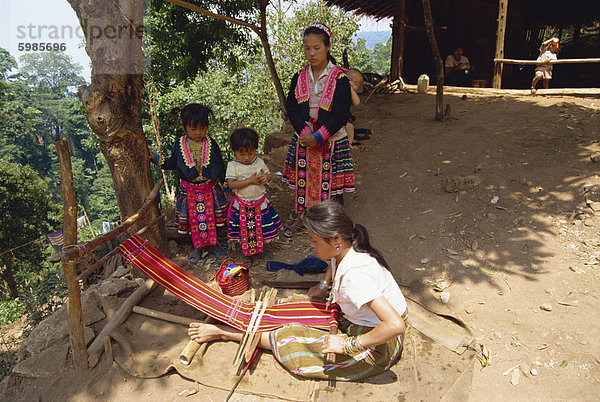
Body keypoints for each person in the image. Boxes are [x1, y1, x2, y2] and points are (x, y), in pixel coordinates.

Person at [188, 199, 407, 380]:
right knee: (292, 304)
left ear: (336, 239)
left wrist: (348, 344)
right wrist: (323, 285)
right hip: (357, 317)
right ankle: (238, 318)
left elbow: (396, 325)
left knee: (290, 339)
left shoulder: (356, 276)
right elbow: (334, 263)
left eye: (314, 241)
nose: (311, 246)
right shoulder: (344, 249)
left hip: (379, 340)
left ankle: (225, 333)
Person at [282, 23, 355, 237]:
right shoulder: (299, 77)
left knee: (332, 184)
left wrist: (320, 135)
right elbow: (292, 107)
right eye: (307, 48)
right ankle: (302, 218)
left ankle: (330, 224)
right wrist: (304, 132)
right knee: (304, 178)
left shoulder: (340, 79)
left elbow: (341, 113)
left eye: (317, 48)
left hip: (331, 139)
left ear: (328, 46)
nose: (311, 53)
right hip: (304, 137)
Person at [149, 103, 228, 263]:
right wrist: (156, 159)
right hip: (189, 191)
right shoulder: (179, 145)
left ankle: (214, 245)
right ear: (183, 126)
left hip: (209, 189)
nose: (199, 133)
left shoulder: (211, 144)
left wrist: (224, 182)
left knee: (210, 217)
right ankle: (197, 246)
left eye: (203, 128)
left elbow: (220, 164)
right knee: (194, 220)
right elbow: (172, 163)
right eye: (193, 129)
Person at [225, 128, 282, 258]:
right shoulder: (232, 165)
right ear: (234, 151)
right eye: (241, 154)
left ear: (255, 149)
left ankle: (261, 250)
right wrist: (250, 181)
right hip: (243, 204)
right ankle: (248, 255)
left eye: (250, 153)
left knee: (260, 227)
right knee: (245, 229)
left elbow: (268, 175)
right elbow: (231, 184)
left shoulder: (259, 162)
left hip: (259, 201)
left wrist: (266, 178)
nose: (246, 157)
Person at [345, 68, 364, 148]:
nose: (352, 84)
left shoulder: (352, 93)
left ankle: (349, 143)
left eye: (355, 84)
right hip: (332, 115)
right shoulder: (339, 87)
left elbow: (356, 102)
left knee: (350, 127)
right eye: (350, 80)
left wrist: (351, 90)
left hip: (344, 118)